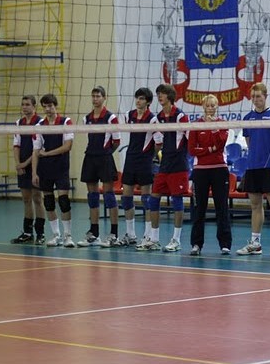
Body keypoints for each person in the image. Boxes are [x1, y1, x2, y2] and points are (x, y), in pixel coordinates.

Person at [104, 87, 161, 248]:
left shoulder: (152, 119)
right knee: (126, 197)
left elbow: (158, 142)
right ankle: (131, 234)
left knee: (146, 198)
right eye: (137, 98)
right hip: (130, 159)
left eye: (142, 98)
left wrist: (150, 155)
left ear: (148, 102)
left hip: (144, 160)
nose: (138, 101)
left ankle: (148, 235)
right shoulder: (130, 115)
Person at [236, 83, 270, 257]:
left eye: (258, 96)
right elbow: (250, 143)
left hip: (269, 167)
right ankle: (255, 243)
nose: (255, 99)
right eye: (253, 96)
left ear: (265, 96)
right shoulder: (248, 118)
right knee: (255, 205)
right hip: (253, 167)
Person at [139, 83, 190, 252]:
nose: (160, 96)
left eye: (162, 93)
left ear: (170, 96)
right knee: (153, 199)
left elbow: (190, 139)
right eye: (158, 93)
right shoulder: (158, 118)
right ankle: (154, 238)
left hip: (179, 165)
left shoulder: (180, 116)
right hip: (164, 165)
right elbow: (158, 142)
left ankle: (176, 239)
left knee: (177, 201)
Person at [188, 94, 232, 255]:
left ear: (217, 106)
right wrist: (209, 149)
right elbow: (192, 149)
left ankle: (225, 244)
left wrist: (214, 130)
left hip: (219, 169)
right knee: (199, 208)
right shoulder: (196, 125)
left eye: (213, 105)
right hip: (201, 171)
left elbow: (220, 144)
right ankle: (196, 244)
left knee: (222, 207)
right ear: (203, 107)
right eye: (208, 105)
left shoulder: (222, 124)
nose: (211, 108)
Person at [78, 86, 121, 247]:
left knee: (109, 195)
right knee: (92, 196)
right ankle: (94, 234)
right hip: (90, 157)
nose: (95, 99)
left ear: (104, 98)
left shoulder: (111, 118)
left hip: (104, 158)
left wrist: (106, 154)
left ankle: (114, 234)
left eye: (98, 96)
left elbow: (116, 142)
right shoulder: (87, 118)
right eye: (93, 96)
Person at [32, 94, 75, 248]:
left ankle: (68, 236)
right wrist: (34, 172)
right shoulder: (39, 126)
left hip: (61, 166)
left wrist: (47, 153)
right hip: (45, 168)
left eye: (50, 106)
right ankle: (56, 235)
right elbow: (36, 151)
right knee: (49, 202)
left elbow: (67, 146)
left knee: (64, 201)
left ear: (55, 106)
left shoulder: (66, 122)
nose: (48, 109)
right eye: (45, 106)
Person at [10, 95, 46, 245]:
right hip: (23, 165)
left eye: (27, 104)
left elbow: (39, 148)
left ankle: (40, 233)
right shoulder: (19, 123)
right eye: (23, 104)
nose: (24, 107)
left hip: (36, 164)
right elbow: (16, 145)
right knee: (26, 199)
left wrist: (25, 163)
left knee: (37, 198)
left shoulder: (40, 123)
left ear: (34, 106)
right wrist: (18, 164)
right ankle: (27, 233)